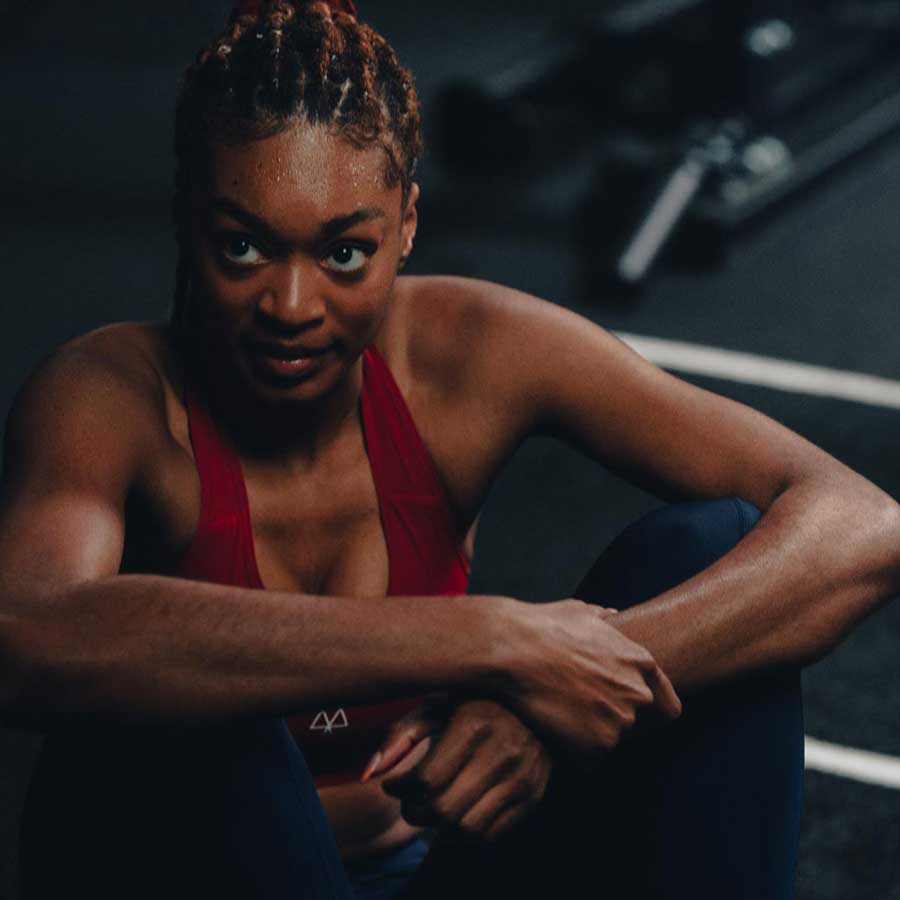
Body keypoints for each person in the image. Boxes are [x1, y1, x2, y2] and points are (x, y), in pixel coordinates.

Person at [2, 1, 899, 897]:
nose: (290, 305)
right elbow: (25, 632)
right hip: (212, 869)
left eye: (346, 253)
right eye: (242, 246)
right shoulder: (108, 393)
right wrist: (484, 640)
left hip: (439, 857)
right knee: (188, 677)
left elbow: (860, 523)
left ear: (407, 227)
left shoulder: (469, 351)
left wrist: (549, 697)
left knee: (709, 547)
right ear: (186, 223)